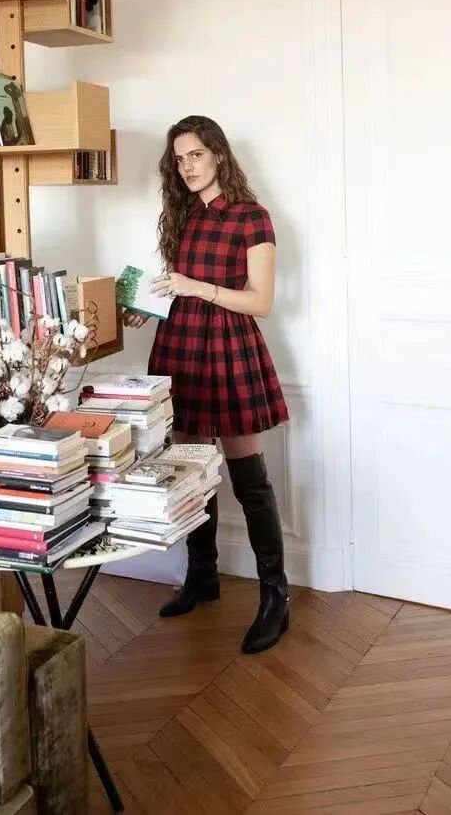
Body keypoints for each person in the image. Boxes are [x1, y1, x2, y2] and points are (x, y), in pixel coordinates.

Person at [122, 115, 289, 654]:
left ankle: (275, 598)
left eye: (196, 154)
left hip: (230, 349)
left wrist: (196, 287)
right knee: (192, 471)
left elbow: (261, 301)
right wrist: (149, 308)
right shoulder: (184, 215)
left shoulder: (252, 216)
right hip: (181, 347)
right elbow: (178, 289)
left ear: (218, 154)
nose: (188, 167)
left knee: (248, 477)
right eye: (179, 159)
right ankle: (202, 576)